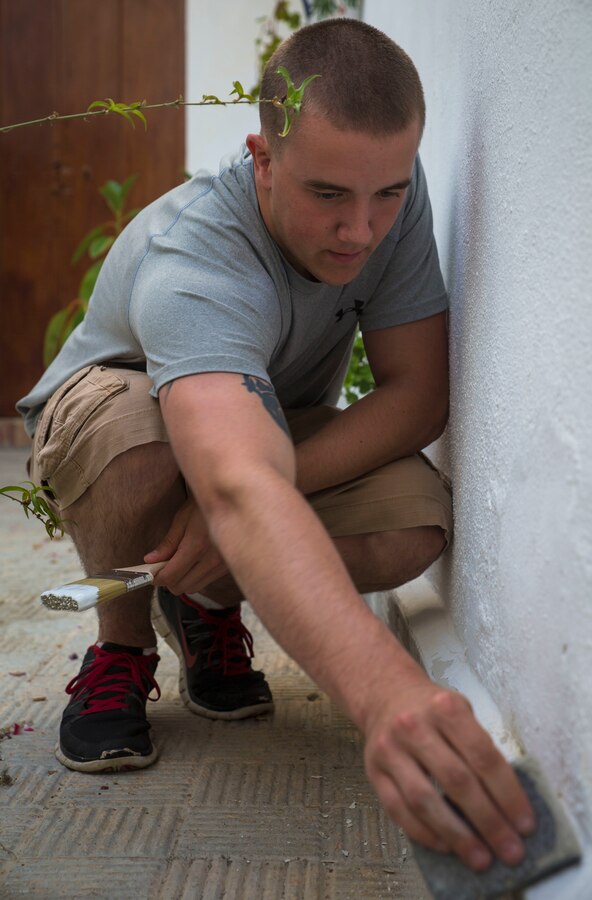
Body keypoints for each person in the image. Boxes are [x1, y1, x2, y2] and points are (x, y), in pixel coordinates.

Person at [18, 17, 535, 873]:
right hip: (117, 423)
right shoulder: (199, 258)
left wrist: (241, 503)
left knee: (412, 519)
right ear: (262, 157)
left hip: (257, 431)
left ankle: (208, 601)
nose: (361, 232)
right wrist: (385, 695)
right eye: (328, 195)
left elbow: (416, 396)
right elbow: (237, 482)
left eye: (389, 195)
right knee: (150, 446)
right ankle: (122, 644)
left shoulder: (382, 205)